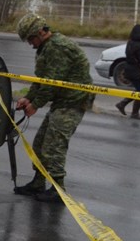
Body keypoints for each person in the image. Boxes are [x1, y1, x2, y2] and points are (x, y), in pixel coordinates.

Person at [13, 13, 94, 203]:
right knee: (40, 144)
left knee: (55, 145)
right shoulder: (45, 47)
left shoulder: (57, 47)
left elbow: (51, 83)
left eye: (31, 39)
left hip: (73, 101)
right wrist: (28, 98)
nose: (30, 44)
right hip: (61, 101)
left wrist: (35, 105)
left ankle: (58, 189)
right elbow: (40, 80)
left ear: (41, 32)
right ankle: (38, 182)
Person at [115, 24, 140, 120]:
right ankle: (134, 113)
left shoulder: (130, 42)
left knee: (139, 90)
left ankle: (122, 104)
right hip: (136, 71)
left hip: (129, 69)